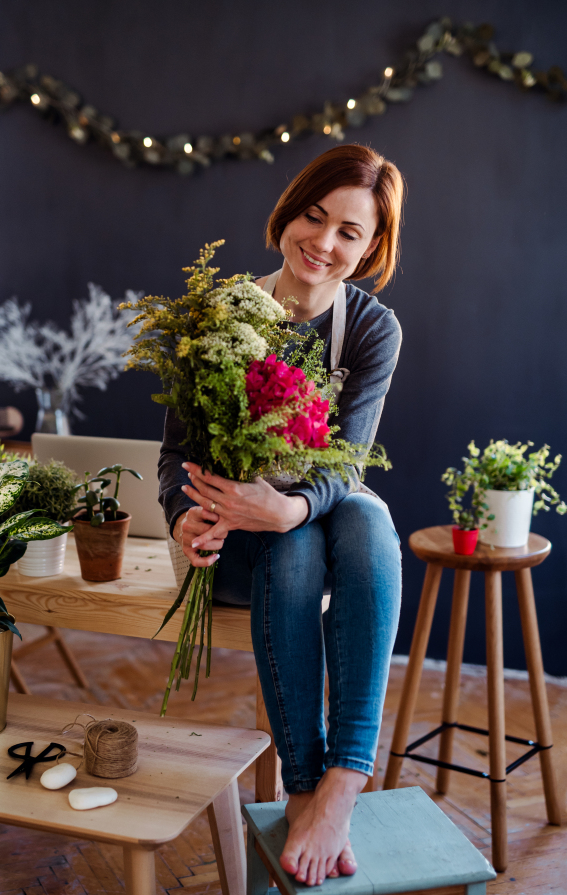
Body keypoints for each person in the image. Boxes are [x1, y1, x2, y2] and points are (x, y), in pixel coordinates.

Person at [159, 144, 404, 887]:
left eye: (349, 233)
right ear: (290, 209)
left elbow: (347, 465)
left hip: (316, 529)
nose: (323, 243)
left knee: (364, 520)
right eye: (314, 215)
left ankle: (338, 782)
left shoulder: (371, 330)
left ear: (371, 250)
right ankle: (306, 784)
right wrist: (181, 519)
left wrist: (290, 505)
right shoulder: (219, 314)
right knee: (294, 548)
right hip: (233, 545)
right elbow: (176, 457)